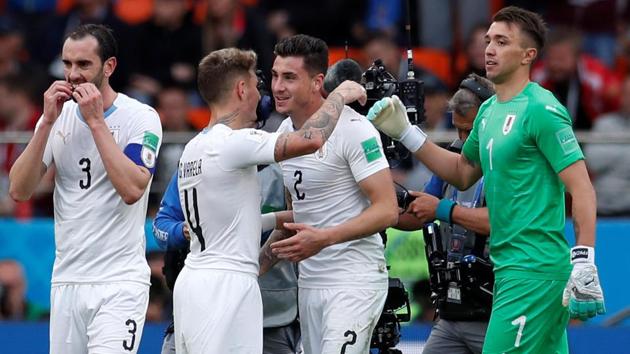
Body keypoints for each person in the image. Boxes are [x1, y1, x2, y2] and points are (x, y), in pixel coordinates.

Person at [366, 6, 606, 353]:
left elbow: (582, 187)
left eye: (502, 41)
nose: (489, 49)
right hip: (510, 270)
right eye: (488, 40)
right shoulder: (490, 111)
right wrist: (406, 132)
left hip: (532, 272)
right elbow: (462, 172)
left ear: (528, 55)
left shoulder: (542, 108)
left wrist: (584, 258)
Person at [173, 47, 366, 354]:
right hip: (226, 287)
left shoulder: (194, 147)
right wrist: (339, 95)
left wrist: (285, 218)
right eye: (256, 86)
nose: (263, 95)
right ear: (241, 90)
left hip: (194, 282)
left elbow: (223, 221)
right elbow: (312, 139)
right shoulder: (233, 142)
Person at [9, 24, 162, 353]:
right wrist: (46, 123)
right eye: (67, 64)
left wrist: (95, 122)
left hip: (119, 283)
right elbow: (19, 190)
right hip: (67, 281)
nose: (72, 74)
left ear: (109, 67)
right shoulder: (57, 116)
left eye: (83, 65)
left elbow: (133, 188)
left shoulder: (141, 117)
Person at [259, 34, 399, 354]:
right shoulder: (284, 134)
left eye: (290, 77)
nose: (278, 86)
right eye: (275, 75)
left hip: (353, 281)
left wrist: (324, 238)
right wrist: (254, 266)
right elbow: (300, 214)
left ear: (317, 81)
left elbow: (387, 210)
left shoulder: (354, 129)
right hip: (309, 283)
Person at [153, 164, 301, 354]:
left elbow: (300, 222)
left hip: (271, 319)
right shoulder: (195, 162)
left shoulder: (281, 169)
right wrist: (183, 230)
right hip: (200, 309)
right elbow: (161, 228)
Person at [397, 73, 495, 354]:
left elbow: (502, 223)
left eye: (471, 131)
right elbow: (421, 211)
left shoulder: (505, 161)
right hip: (454, 307)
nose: (464, 140)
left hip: (494, 305)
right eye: (459, 131)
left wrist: (442, 209)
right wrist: (380, 211)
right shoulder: (453, 158)